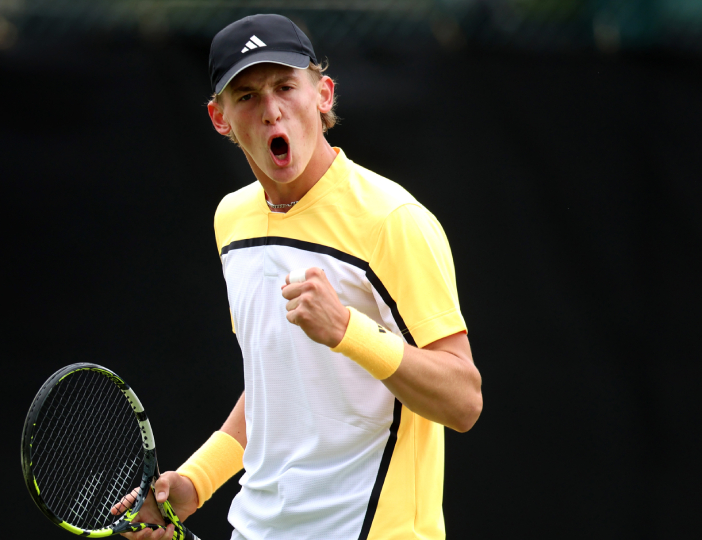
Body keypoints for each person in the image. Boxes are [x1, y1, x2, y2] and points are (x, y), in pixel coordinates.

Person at [113, 13, 482, 540]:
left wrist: (348, 331)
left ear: (323, 94)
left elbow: (464, 400)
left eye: (285, 86)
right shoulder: (232, 220)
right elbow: (275, 386)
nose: (271, 110)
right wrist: (193, 483)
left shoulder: (393, 221)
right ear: (220, 119)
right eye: (247, 97)